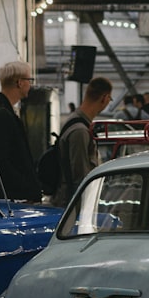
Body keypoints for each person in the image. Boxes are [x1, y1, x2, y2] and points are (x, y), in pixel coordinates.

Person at [0, 60, 43, 202]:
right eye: (29, 80)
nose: (31, 84)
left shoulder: (2, 110)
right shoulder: (1, 114)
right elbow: (3, 162)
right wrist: (28, 189)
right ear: (19, 82)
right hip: (11, 199)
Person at [53, 76, 112, 207]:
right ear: (105, 98)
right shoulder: (80, 131)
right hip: (73, 205)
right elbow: (80, 178)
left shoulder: (74, 121)